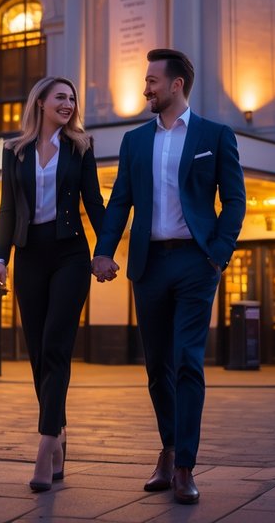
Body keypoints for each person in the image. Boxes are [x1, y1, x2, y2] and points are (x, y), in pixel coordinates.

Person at [91, 48, 245, 505]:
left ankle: (183, 467)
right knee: (157, 366)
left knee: (187, 362)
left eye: (152, 81)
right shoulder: (135, 141)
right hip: (148, 266)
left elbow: (234, 200)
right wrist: (103, 250)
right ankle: (169, 446)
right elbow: (120, 201)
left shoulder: (215, 135)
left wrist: (217, 253)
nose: (146, 89)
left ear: (176, 84)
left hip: (196, 264)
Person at [0, 76, 105, 492]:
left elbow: (93, 202)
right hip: (30, 255)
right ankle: (58, 433)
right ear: (39, 101)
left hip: (71, 253)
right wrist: (0, 257)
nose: (69, 103)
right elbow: (7, 207)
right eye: (61, 96)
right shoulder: (14, 151)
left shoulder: (81, 147)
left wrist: (105, 248)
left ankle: (44, 447)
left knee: (57, 345)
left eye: (73, 98)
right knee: (38, 351)